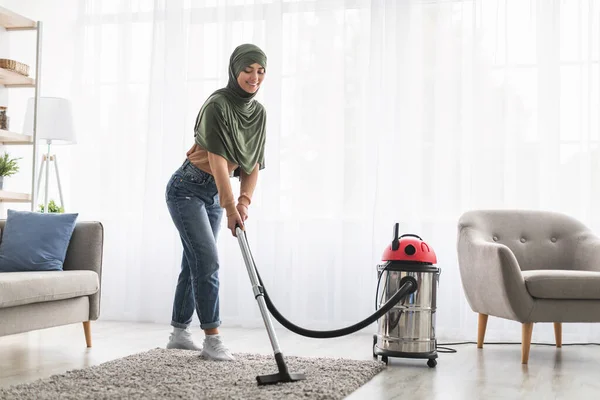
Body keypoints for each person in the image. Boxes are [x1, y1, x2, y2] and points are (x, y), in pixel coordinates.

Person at [164, 43, 267, 361]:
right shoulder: (217, 105)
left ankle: (179, 333)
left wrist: (245, 203)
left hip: (211, 195)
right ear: (235, 69)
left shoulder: (258, 113)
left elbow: (252, 165)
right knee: (207, 262)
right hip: (186, 189)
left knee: (193, 261)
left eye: (261, 71)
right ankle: (212, 339)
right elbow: (219, 161)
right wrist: (230, 206)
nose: (254, 77)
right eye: (248, 69)